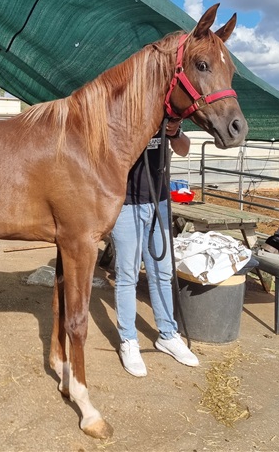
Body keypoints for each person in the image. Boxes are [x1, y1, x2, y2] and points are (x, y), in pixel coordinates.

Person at [111, 119, 199, 376]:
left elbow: (184, 149)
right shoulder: (129, 114)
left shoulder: (167, 119)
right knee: (127, 274)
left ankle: (168, 335)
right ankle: (128, 340)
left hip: (159, 202)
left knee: (162, 272)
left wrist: (174, 132)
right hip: (127, 204)